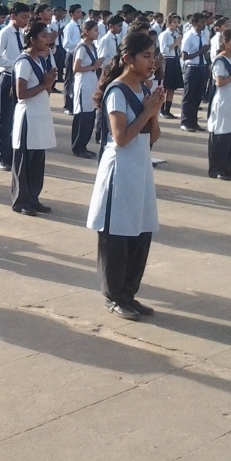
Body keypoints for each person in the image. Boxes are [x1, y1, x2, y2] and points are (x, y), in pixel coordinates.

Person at [86, 32, 164, 320]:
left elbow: (152, 136)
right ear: (128, 59)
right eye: (146, 56)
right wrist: (147, 113)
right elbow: (120, 138)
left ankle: (130, 293)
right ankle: (114, 296)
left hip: (140, 169)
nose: (152, 61)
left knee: (140, 231)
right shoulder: (117, 92)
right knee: (116, 235)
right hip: (120, 170)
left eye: (154, 55)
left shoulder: (144, 90)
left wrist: (154, 113)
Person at [11, 21, 58, 216]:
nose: (48, 40)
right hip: (28, 116)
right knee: (24, 161)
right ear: (32, 40)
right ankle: (21, 201)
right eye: (44, 36)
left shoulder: (39, 60)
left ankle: (33, 198)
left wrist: (48, 82)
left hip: (40, 115)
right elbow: (21, 93)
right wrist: (46, 84)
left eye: (48, 36)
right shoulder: (24, 62)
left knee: (38, 159)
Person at [0, 2, 31, 171]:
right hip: (7, 78)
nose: (26, 20)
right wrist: (17, 62)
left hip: (19, 79)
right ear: (13, 17)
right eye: (23, 17)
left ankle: (13, 152)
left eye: (28, 17)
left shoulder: (21, 34)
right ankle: (2, 155)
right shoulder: (4, 34)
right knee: (5, 118)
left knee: (17, 117)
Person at [207, 29, 231, 180]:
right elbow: (220, 82)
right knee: (222, 133)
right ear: (225, 43)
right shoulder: (220, 60)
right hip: (223, 99)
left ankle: (228, 167)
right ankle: (218, 168)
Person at [71, 19, 103, 159]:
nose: (98, 33)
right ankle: (77, 146)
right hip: (83, 83)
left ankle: (83, 145)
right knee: (83, 115)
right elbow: (76, 68)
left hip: (91, 81)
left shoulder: (93, 47)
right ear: (86, 32)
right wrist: (94, 67)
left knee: (90, 115)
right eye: (95, 30)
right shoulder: (82, 47)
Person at [180, 13, 211, 132]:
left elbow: (206, 49)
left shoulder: (203, 35)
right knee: (189, 95)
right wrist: (200, 52)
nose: (203, 25)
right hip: (191, 67)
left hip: (201, 66)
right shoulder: (189, 36)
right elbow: (184, 56)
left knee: (197, 96)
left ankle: (194, 122)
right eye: (201, 22)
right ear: (194, 23)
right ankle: (185, 121)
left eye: (204, 22)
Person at [158, 14, 183, 119]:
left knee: (172, 87)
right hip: (167, 60)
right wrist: (175, 44)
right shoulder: (164, 35)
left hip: (175, 60)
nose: (176, 25)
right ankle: (162, 109)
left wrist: (179, 43)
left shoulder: (176, 34)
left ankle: (168, 110)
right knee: (165, 87)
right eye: (174, 22)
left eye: (177, 22)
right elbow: (163, 50)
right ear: (168, 23)